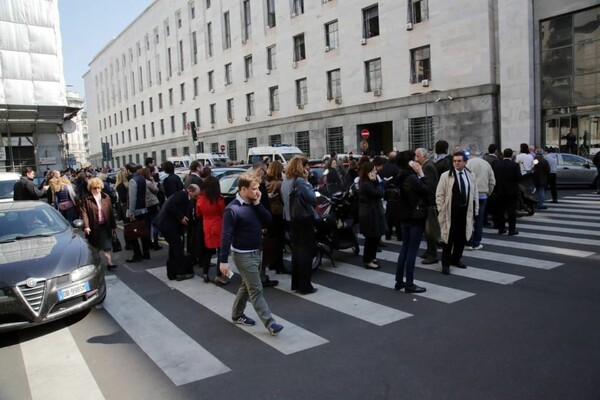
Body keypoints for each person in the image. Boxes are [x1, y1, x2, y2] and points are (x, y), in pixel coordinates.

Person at [219, 173, 284, 336]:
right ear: (243, 189)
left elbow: (268, 220)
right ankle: (270, 323)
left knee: (246, 286)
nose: (257, 191)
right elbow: (226, 236)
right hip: (242, 255)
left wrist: (257, 203)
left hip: (256, 252)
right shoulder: (232, 209)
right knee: (256, 289)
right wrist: (223, 261)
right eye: (254, 189)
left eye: (257, 188)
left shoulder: (253, 204)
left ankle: (237, 314)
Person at [436, 151, 479, 275]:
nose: (456, 163)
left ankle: (456, 259)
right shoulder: (446, 176)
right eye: (454, 161)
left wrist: (475, 210)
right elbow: (439, 195)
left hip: (465, 211)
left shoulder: (470, 175)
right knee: (448, 239)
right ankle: (445, 263)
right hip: (450, 212)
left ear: (465, 162)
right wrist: (441, 209)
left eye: (459, 161)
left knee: (461, 238)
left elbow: (474, 193)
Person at [281, 156, 318, 294]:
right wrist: (308, 182)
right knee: (306, 253)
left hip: (290, 219)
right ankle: (305, 285)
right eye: (306, 166)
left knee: (296, 252)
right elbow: (312, 198)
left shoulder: (286, 181)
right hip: (303, 219)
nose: (308, 169)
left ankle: (296, 283)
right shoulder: (301, 182)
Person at [394, 150, 430, 293]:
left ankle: (399, 281)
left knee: (405, 248)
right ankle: (409, 283)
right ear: (410, 161)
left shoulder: (400, 175)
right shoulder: (412, 177)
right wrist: (421, 174)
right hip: (415, 216)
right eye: (415, 158)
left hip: (404, 216)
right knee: (412, 251)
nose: (417, 160)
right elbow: (427, 190)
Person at [157, 184, 200, 281]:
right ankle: (180, 273)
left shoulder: (183, 196)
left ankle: (172, 272)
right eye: (195, 195)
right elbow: (170, 205)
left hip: (167, 224)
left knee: (174, 247)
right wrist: (180, 217)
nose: (196, 197)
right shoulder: (182, 195)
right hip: (168, 224)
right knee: (178, 247)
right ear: (190, 191)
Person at [80, 177, 118, 271]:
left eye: (98, 188)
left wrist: (113, 226)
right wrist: (86, 226)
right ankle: (96, 264)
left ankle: (109, 263)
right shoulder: (86, 199)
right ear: (90, 188)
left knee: (107, 245)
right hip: (93, 226)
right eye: (94, 188)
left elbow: (110, 212)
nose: (97, 190)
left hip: (105, 225)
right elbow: (84, 214)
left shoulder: (106, 197)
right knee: (94, 247)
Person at [465, 144, 496, 251]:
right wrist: (489, 193)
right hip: (483, 195)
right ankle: (476, 242)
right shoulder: (486, 164)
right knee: (479, 219)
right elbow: (492, 181)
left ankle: (468, 242)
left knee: (469, 218)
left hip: (470, 195)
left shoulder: (467, 163)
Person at [196, 176, 226, 283]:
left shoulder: (200, 198)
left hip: (206, 224)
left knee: (207, 251)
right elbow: (223, 212)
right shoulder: (218, 198)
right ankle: (219, 275)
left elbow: (198, 213)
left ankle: (205, 273)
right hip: (218, 224)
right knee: (220, 252)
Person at [414, 148, 440, 263]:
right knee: (427, 229)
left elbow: (429, 186)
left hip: (429, 203)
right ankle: (429, 250)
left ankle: (432, 254)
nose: (416, 158)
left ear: (422, 156)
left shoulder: (427, 166)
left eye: (417, 156)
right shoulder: (426, 165)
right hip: (428, 202)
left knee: (430, 230)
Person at [358, 161, 385, 269]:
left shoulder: (368, 182)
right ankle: (368, 260)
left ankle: (371, 257)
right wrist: (376, 182)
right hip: (369, 213)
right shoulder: (367, 184)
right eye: (373, 170)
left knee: (375, 236)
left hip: (371, 212)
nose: (375, 172)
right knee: (371, 237)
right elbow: (379, 193)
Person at [264, 160, 287, 274]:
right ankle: (279, 265)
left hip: (270, 214)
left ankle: (272, 263)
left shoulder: (266, 183)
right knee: (279, 240)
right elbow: (284, 199)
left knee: (272, 240)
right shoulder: (279, 183)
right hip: (279, 213)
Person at [492, 148, 522, 236]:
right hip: (511, 191)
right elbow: (519, 178)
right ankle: (512, 229)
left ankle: (501, 229)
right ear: (511, 155)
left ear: (503, 154)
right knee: (511, 211)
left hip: (499, 191)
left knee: (500, 211)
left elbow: (493, 176)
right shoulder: (515, 165)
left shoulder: (496, 164)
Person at [125, 163, 151, 263]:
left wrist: (131, 213)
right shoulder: (141, 178)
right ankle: (146, 252)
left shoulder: (132, 180)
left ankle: (137, 254)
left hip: (136, 210)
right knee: (143, 232)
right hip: (143, 208)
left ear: (128, 170)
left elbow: (132, 198)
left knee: (133, 233)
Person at [143, 167, 162, 250]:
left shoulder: (141, 182)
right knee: (155, 224)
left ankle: (148, 243)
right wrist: (153, 181)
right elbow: (156, 190)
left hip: (146, 205)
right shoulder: (148, 183)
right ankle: (156, 243)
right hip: (153, 204)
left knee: (147, 225)